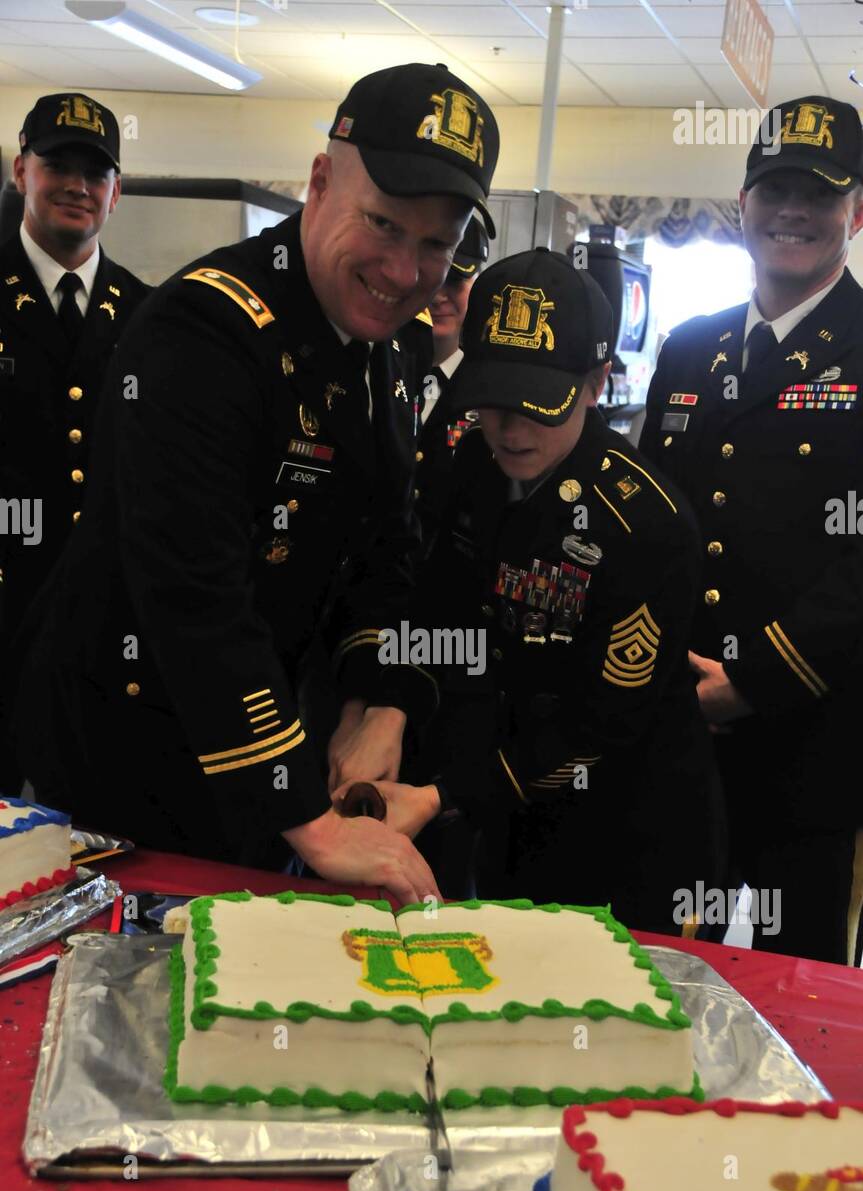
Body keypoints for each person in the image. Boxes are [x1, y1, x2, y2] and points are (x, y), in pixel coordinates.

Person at [11, 63, 500, 906]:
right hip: (124, 759)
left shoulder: (383, 351)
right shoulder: (202, 329)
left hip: (260, 741)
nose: (401, 269)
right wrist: (306, 817)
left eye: (434, 245)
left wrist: (380, 700)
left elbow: (388, 553)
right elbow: (195, 594)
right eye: (382, 223)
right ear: (318, 183)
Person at [345, 249, 724, 931]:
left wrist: (441, 794)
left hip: (626, 833)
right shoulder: (471, 465)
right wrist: (389, 706)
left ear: (595, 382)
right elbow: (440, 610)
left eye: (536, 406)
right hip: (505, 814)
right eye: (493, 401)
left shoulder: (643, 524)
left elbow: (602, 727)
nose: (510, 429)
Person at [640, 94, 863, 966]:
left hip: (805, 738)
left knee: (789, 981)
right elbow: (649, 520)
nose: (792, 212)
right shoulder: (688, 350)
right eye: (773, 189)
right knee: (658, 960)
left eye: (819, 192)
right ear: (742, 205)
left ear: (856, 210)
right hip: (671, 726)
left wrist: (754, 679)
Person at [0, 92, 149, 781]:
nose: (77, 188)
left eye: (96, 174)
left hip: (99, 635)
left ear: (116, 193)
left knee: (86, 852)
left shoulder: (152, 316)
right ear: (20, 169)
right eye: (59, 165)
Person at [413, 215, 488, 553]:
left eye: (455, 281)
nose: (438, 296)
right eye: (428, 279)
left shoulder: (488, 390)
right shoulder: (377, 364)